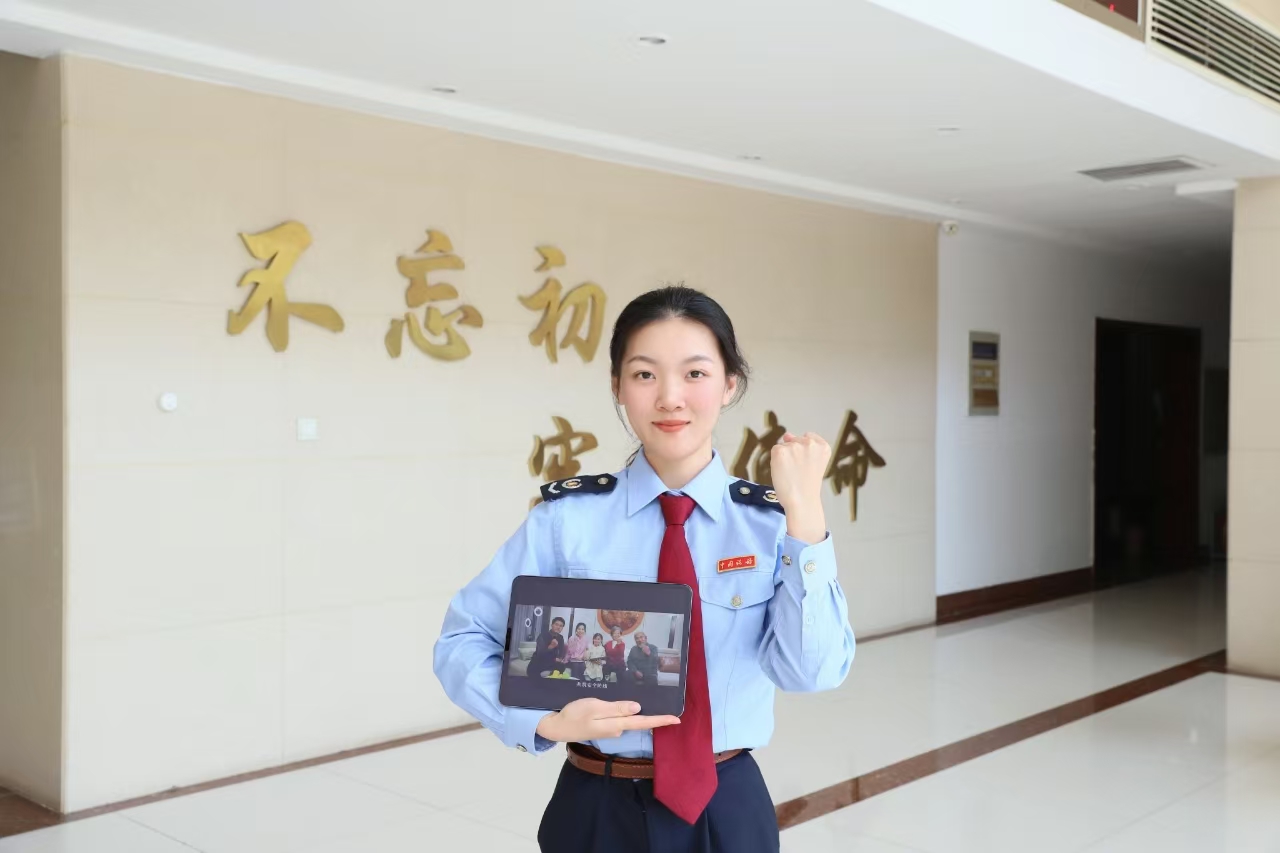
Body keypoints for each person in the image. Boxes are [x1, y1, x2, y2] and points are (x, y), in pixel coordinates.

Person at [434, 285, 856, 853]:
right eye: (644, 374)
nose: (670, 398)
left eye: (695, 373)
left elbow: (813, 672)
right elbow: (461, 640)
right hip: (595, 802)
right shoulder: (566, 521)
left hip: (727, 804)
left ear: (730, 384)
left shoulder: (771, 526)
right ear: (617, 386)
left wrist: (805, 518)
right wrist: (542, 721)